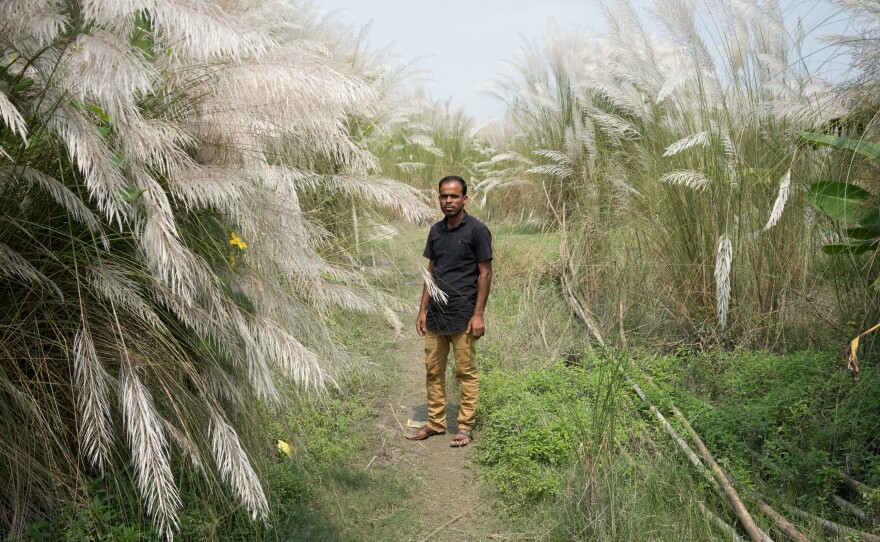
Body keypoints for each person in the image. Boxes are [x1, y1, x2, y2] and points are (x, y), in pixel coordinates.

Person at [406, 175, 493, 448]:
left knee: (465, 373)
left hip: (464, 316)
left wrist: (478, 314)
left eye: (454, 196)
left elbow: (485, 273)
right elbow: (430, 273)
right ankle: (435, 422)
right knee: (433, 371)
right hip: (435, 315)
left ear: (465, 199)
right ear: (439, 199)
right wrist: (422, 310)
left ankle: (465, 427)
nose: (448, 201)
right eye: (444, 196)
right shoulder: (436, 231)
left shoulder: (478, 231)